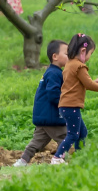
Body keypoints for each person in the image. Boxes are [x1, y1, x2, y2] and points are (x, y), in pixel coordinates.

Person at [51, 33, 98, 165]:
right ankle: (57, 158)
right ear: (83, 51)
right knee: (73, 134)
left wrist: (97, 81)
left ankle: (81, 157)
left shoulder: (69, 64)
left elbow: (82, 82)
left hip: (65, 106)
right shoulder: (79, 66)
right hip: (71, 106)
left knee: (82, 132)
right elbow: (89, 84)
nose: (89, 57)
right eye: (90, 53)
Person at [12, 38, 70, 167]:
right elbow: (53, 94)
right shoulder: (55, 73)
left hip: (43, 116)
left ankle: (22, 161)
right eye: (67, 54)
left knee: (37, 142)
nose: (70, 56)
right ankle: (58, 160)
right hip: (51, 117)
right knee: (66, 137)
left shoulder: (51, 72)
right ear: (55, 56)